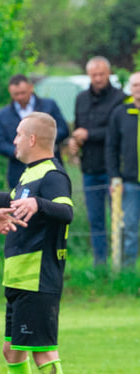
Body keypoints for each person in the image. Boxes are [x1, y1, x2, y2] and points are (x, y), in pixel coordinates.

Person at [0, 112, 72, 374]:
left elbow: (66, 211)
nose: (13, 140)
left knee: (43, 351)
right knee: (12, 351)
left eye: (18, 134)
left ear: (32, 139)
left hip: (39, 278)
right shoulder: (29, 174)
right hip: (19, 278)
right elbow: (8, 201)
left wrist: (39, 203)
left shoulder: (53, 175)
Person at [69, 57, 125, 266]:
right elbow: (78, 128)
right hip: (90, 168)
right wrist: (76, 143)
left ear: (109, 73)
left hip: (115, 170)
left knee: (119, 219)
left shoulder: (121, 99)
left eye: (101, 74)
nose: (98, 78)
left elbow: (116, 132)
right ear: (88, 75)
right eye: (94, 75)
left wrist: (88, 134)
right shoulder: (81, 98)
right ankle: (99, 263)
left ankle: (122, 263)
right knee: (96, 220)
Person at [0, 75, 69, 189]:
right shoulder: (3, 115)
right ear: (10, 92)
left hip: (49, 167)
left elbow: (64, 129)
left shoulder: (49, 105)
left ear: (31, 88)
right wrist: (17, 150)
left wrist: (43, 142)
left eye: (23, 93)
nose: (20, 97)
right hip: (18, 171)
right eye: (16, 94)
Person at [105, 72, 140, 268]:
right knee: (130, 228)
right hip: (130, 182)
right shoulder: (120, 113)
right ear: (130, 88)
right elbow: (111, 147)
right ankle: (129, 271)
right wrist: (114, 177)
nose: (138, 89)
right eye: (135, 85)